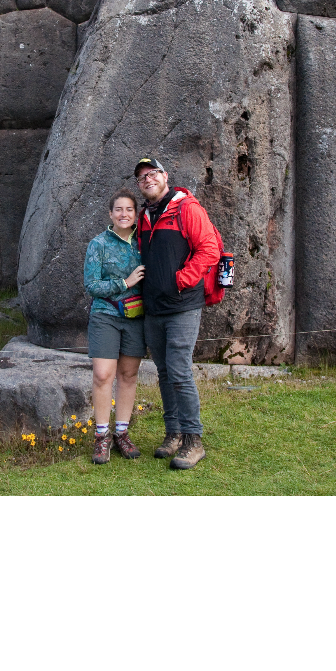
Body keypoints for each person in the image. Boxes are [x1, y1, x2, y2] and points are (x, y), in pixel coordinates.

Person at [133, 157, 220, 470]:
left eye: (152, 173)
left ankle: (193, 441)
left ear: (165, 176)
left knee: (180, 369)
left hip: (183, 305)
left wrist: (182, 279)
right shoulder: (145, 216)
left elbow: (209, 249)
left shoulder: (187, 209)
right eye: (141, 177)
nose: (147, 179)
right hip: (153, 307)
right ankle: (174, 433)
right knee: (165, 371)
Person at [83, 188, 146, 465]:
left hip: (135, 317)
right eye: (118, 209)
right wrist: (125, 283)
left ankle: (122, 432)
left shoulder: (143, 243)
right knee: (102, 374)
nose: (124, 214)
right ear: (110, 214)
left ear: (136, 215)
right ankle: (101, 436)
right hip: (105, 314)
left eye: (129, 210)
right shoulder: (98, 244)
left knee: (129, 375)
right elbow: (91, 285)